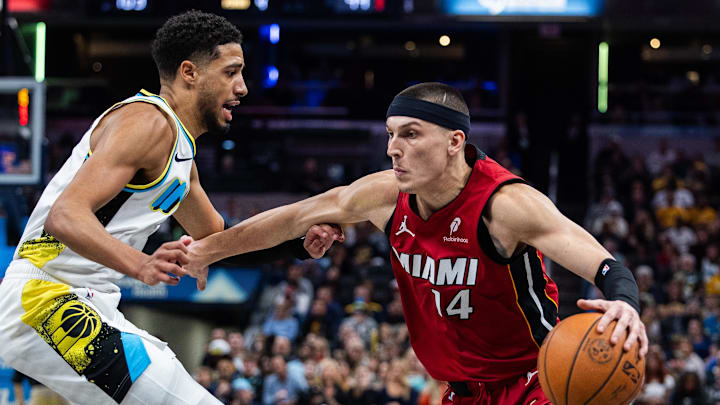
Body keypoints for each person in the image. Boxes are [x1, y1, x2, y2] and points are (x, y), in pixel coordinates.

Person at [186, 82, 648, 404]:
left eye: (410, 134)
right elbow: (295, 216)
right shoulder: (385, 195)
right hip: (460, 390)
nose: (393, 148)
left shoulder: (506, 205)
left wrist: (625, 303)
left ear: (454, 142)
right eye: (390, 134)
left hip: (534, 383)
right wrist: (208, 250)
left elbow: (604, 265)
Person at [0, 10, 337, 405]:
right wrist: (140, 264)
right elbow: (65, 216)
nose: (243, 87)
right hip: (43, 298)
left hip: (88, 302)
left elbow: (219, 240)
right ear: (189, 72)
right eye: (231, 72)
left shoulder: (180, 154)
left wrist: (296, 246)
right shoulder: (147, 122)